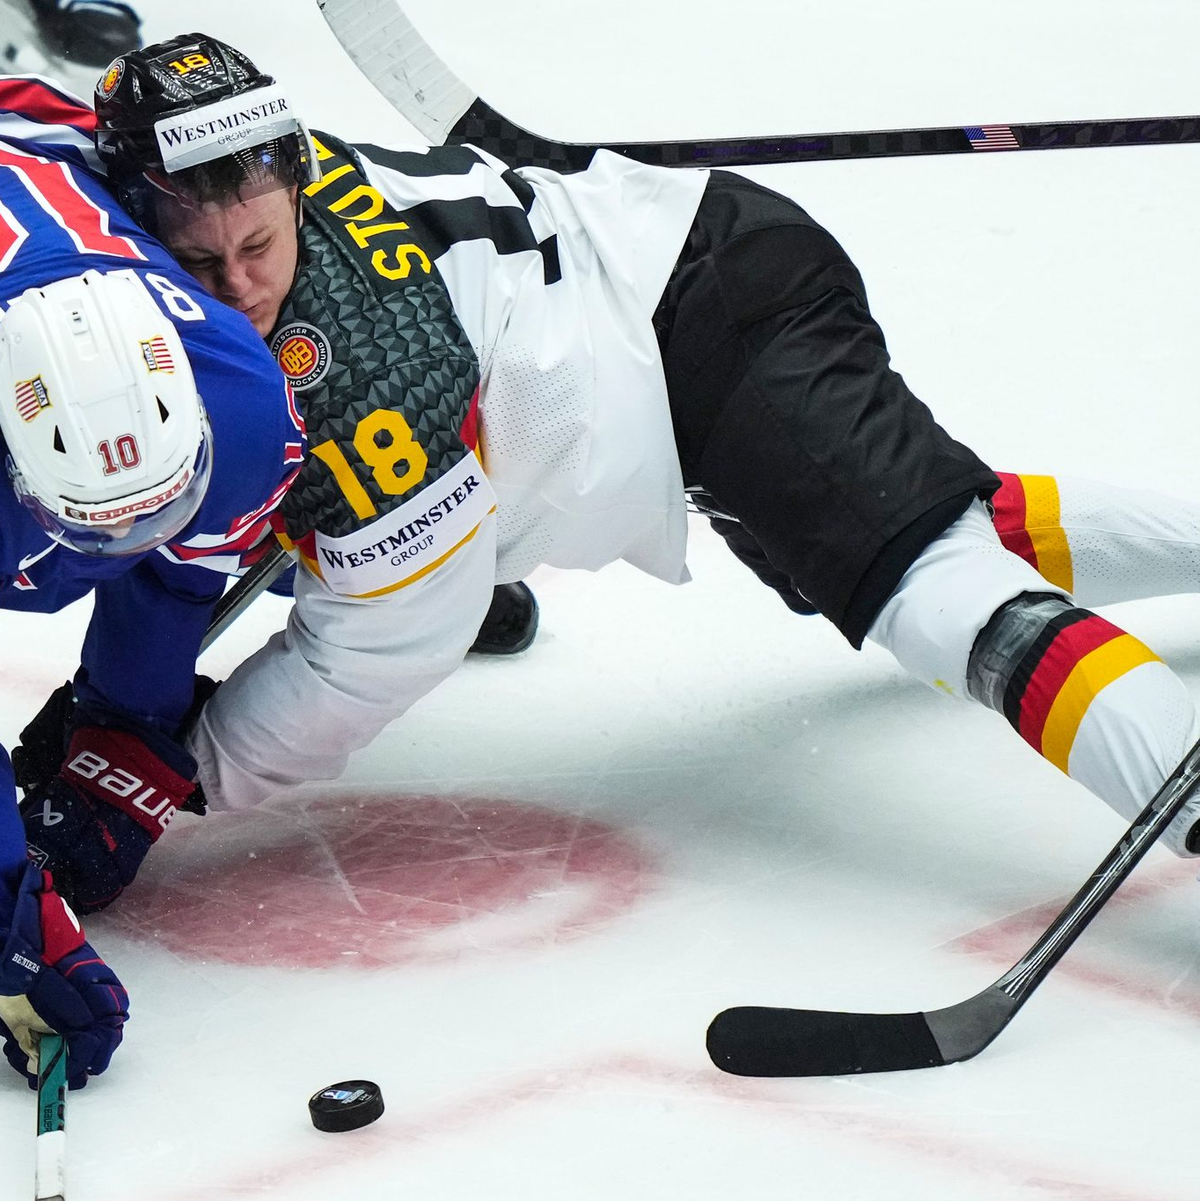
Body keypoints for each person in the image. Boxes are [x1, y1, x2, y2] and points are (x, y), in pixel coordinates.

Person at [24, 33, 1200, 915]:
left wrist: (175, 775)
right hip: (661, 284)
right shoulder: (156, 181)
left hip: (708, 326)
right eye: (201, 258)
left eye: (261, 248)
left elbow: (389, 646)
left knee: (936, 588)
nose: (238, 287)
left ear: (285, 185)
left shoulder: (370, 386)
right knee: (917, 518)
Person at [0, 70, 305, 1087]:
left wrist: (124, 723)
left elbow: (184, 573)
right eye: (86, 529)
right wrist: (10, 909)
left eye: (160, 505)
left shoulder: (242, 408)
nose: (120, 548)